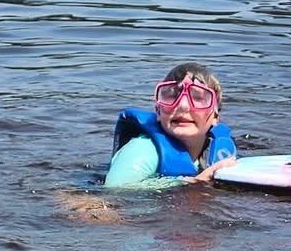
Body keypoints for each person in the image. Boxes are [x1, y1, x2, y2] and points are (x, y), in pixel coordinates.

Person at [103, 62, 240, 188]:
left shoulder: (220, 150)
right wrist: (195, 181)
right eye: (172, 95)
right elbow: (115, 191)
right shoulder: (142, 150)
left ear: (216, 116)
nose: (183, 106)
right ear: (158, 110)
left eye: (198, 97)